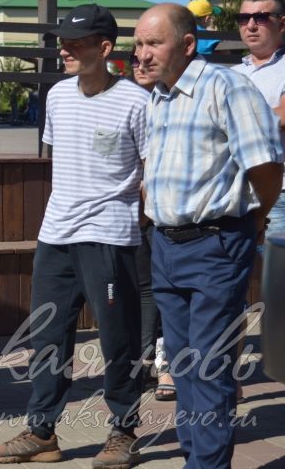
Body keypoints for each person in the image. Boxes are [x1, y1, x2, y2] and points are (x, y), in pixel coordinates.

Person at [0, 5, 148, 467]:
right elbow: (62, 163)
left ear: (105, 48)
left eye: (75, 43)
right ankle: (41, 432)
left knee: (117, 340)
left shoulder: (136, 101)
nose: (64, 49)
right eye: (62, 42)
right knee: (48, 336)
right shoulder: (57, 96)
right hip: (55, 235)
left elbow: (149, 172)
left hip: (110, 237)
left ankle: (123, 431)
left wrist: (140, 221)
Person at [137, 3, 283, 468]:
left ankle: (207, 464)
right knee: (182, 366)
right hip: (166, 244)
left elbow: (266, 167)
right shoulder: (159, 96)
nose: (141, 53)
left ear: (185, 44)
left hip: (216, 244)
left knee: (208, 365)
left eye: (152, 43)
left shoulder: (226, 87)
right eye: (138, 43)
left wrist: (252, 222)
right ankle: (193, 457)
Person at [129, 52, 175, 402]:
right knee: (143, 290)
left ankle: (168, 364)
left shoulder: (170, 102)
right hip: (133, 213)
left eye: (148, 57)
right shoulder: (131, 101)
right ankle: (142, 362)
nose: (139, 63)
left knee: (165, 290)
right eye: (133, 57)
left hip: (165, 212)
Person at [230, 0, 285, 235]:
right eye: (244, 18)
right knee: (247, 272)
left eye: (261, 17)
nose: (250, 25)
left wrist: (229, 122)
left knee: (276, 272)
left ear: (281, 23)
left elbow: (282, 117)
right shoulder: (231, 74)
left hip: (278, 195)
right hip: (235, 194)